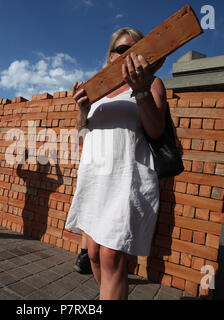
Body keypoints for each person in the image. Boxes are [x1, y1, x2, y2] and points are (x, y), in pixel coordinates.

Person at [65, 27, 167, 300]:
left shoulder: (153, 83)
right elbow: (82, 136)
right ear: (111, 56)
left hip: (126, 180)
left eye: (137, 47)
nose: (130, 53)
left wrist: (141, 88)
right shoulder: (96, 89)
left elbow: (156, 130)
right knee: (95, 256)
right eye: (123, 49)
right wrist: (82, 112)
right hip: (96, 179)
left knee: (112, 258)